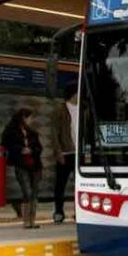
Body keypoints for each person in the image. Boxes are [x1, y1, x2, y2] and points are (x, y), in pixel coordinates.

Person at [1, 108, 43, 229]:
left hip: (35, 164)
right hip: (21, 163)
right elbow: (5, 144)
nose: (31, 120)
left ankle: (32, 220)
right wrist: (20, 149)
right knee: (27, 191)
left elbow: (39, 148)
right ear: (23, 117)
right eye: (29, 117)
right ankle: (26, 221)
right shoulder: (11, 131)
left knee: (34, 192)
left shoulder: (32, 133)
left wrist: (32, 150)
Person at [53, 82, 78, 223]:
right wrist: (58, 152)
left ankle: (78, 211)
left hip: (79, 153)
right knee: (60, 184)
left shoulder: (84, 109)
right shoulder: (60, 109)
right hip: (65, 152)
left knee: (79, 184)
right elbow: (54, 132)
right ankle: (58, 211)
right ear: (74, 93)